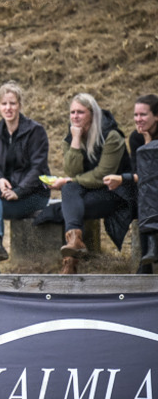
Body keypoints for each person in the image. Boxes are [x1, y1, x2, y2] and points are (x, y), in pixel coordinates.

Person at [45, 93, 134, 274]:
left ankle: (70, 261)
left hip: (115, 192)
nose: (75, 117)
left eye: (80, 112)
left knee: (69, 204)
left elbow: (103, 174)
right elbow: (72, 172)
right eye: (72, 112)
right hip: (86, 192)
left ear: (92, 114)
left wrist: (72, 180)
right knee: (70, 189)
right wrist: (76, 141)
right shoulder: (71, 137)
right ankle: (74, 244)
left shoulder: (111, 136)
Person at [0, 81, 51, 274]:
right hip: (6, 192)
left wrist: (19, 192)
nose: (8, 108)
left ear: (19, 105)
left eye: (12, 103)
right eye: (4, 104)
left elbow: (39, 169)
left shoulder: (36, 131)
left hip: (33, 196)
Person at [103, 94, 158, 272]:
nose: (138, 119)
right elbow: (140, 172)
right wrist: (146, 142)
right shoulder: (136, 137)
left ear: (156, 116)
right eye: (135, 115)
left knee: (147, 192)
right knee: (143, 194)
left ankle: (147, 261)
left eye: (143, 115)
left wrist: (123, 179)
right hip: (149, 191)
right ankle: (148, 254)